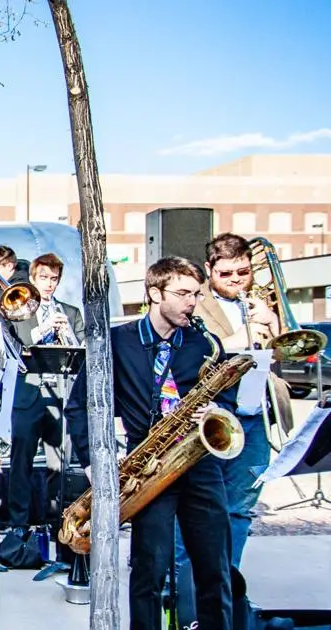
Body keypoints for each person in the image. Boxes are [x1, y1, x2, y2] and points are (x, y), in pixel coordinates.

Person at [67, 256, 235, 630]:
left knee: (215, 571)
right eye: (182, 293)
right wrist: (94, 462)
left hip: (199, 464)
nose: (192, 302)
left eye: (196, 294)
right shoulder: (117, 342)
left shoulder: (203, 343)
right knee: (148, 571)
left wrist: (213, 408)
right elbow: (78, 405)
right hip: (150, 468)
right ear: (154, 293)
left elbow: (229, 402)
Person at [171, 233, 278, 624]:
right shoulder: (196, 304)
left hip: (255, 419)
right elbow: (192, 354)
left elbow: (278, 356)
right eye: (227, 273)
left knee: (240, 512)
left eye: (244, 272)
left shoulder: (259, 304)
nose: (237, 279)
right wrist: (242, 336)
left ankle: (224, 589)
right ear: (211, 271)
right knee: (197, 509)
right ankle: (181, 595)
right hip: (213, 420)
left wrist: (274, 327)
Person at [4, 253, 86, 545]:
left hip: (60, 393)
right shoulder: (20, 308)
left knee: (59, 465)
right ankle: (17, 524)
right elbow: (19, 345)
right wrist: (44, 329)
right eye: (43, 278)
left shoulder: (71, 312)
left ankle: (57, 523)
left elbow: (81, 353)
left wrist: (67, 335)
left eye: (53, 279)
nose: (49, 285)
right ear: (33, 278)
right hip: (29, 393)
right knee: (20, 462)